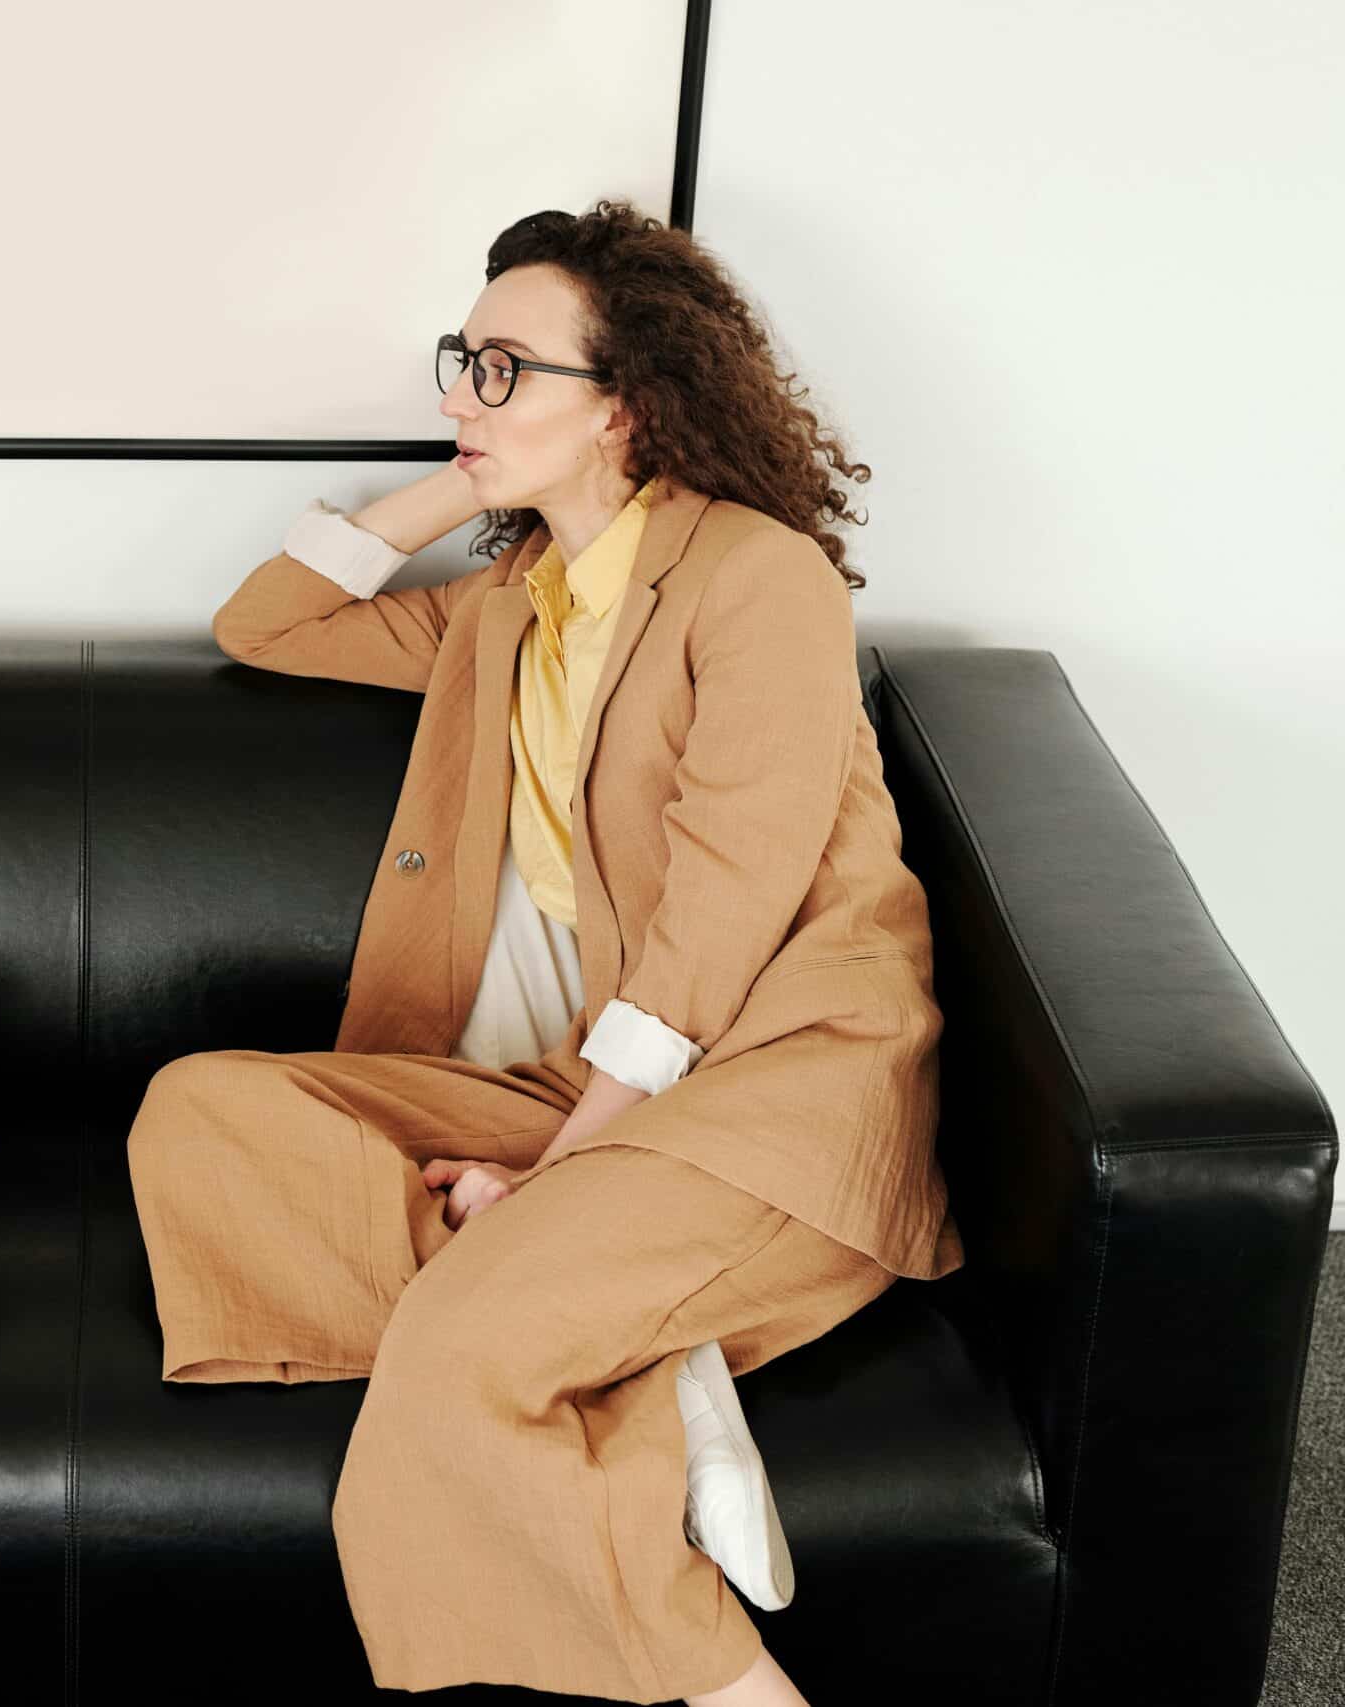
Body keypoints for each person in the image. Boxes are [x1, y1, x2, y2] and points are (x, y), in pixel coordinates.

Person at [124, 202, 960, 1707]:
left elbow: (724, 913)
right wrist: (454, 499)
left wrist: (561, 1173)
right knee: (200, 1109)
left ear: (626, 405)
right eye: (464, 359)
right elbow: (263, 624)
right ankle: (655, 1366)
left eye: (504, 370)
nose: (458, 392)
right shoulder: (509, 606)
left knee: (457, 1351)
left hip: (774, 1102)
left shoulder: (758, 578)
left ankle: (729, 1686)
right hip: (594, 1084)